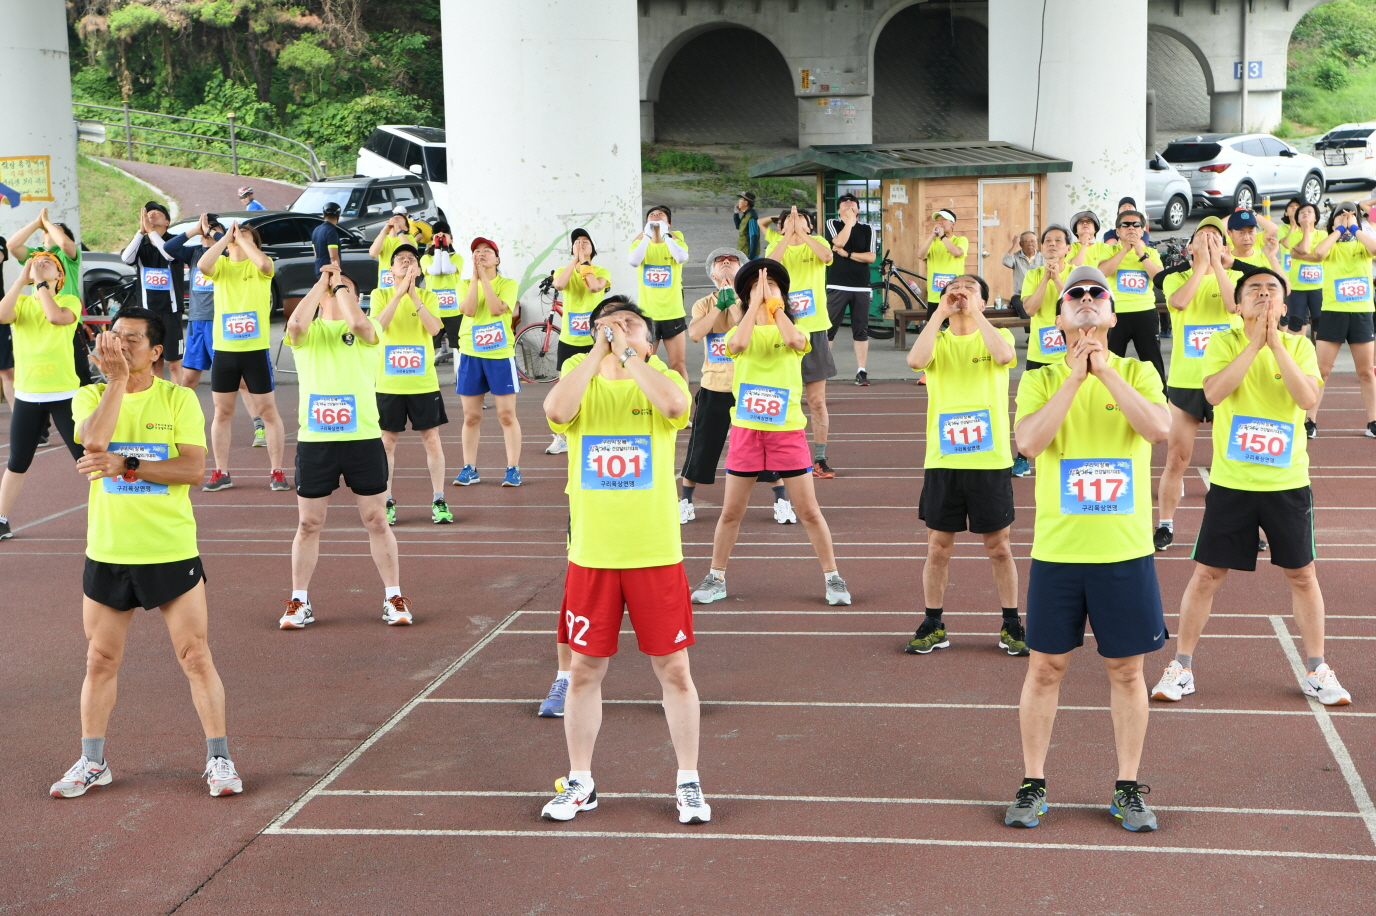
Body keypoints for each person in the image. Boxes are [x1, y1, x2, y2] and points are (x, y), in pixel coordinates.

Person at [1004, 265, 1170, 833]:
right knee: (1046, 668)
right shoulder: (1042, 379)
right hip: (1059, 551)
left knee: (1127, 672)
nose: (1085, 301)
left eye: (1097, 294)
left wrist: (1105, 372)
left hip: (1123, 553)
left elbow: (1157, 429)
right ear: (1058, 318)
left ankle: (1127, 786)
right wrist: (1075, 378)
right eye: (1074, 295)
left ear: (1113, 314)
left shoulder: (1140, 370)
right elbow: (1027, 443)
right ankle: (1032, 782)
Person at [51, 306, 241, 799]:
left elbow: (193, 471)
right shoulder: (90, 394)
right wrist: (115, 383)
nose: (118, 345)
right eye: (114, 337)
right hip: (109, 549)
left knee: (195, 655)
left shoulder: (179, 400)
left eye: (131, 339)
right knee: (99, 660)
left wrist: (127, 463)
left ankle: (219, 758)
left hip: (169, 549)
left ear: (156, 352)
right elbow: (90, 444)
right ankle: (93, 762)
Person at [539, 296, 710, 825]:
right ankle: (581, 781)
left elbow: (678, 410)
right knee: (585, 669)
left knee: (675, 671)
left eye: (631, 324)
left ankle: (688, 781)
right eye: (606, 324)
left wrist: (632, 353)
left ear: (650, 339)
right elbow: (556, 413)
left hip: (654, 550)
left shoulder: (661, 375)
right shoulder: (577, 371)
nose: (616, 330)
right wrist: (596, 352)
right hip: (594, 551)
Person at [1152, 268, 1351, 706]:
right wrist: (1253, 345)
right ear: (1238, 304)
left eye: (1272, 291)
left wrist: (1275, 344)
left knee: (1302, 574)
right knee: (1206, 574)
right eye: (1253, 291)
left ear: (1284, 306)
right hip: (1233, 483)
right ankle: (1181, 666)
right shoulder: (1222, 342)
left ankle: (1317, 668)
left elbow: (1307, 400)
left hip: (1287, 482)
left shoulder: (1299, 345)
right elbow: (1216, 393)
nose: (1263, 296)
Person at [689, 259, 852, 608]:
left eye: (773, 287)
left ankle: (833, 577)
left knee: (808, 510)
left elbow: (793, 340)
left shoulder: (796, 329)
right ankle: (716, 576)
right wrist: (752, 303)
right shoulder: (739, 329)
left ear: (784, 295)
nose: (764, 293)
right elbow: (737, 345)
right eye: (756, 290)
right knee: (731, 512)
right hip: (748, 432)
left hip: (787, 432)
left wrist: (774, 304)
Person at [281, 268, 412, 628]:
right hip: (316, 442)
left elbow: (361, 324)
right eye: (331, 291)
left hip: (362, 440)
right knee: (309, 522)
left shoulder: (370, 332)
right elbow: (293, 326)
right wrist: (321, 285)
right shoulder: (308, 335)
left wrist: (340, 286)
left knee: (375, 519)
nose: (337, 296)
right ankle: (299, 601)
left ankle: (393, 597)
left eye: (347, 292)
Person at [904, 274, 1024, 656]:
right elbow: (914, 361)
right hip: (944, 459)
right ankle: (933, 622)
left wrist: (976, 313)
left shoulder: (997, 337)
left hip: (989, 461)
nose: (961, 293)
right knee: (938, 547)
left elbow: (1006, 357)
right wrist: (940, 313)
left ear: (984, 301)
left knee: (999, 547)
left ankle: (1011, 623)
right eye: (953, 288)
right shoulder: (936, 341)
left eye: (971, 289)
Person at [675, 248, 796, 528]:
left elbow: (747, 330)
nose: (726, 263)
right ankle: (686, 501)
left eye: (733, 260)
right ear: (712, 273)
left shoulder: (756, 304)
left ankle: (781, 501)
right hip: (715, 385)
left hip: (751, 388)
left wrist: (734, 302)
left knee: (767, 446)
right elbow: (694, 334)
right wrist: (720, 304)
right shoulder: (704, 303)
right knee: (702, 447)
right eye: (720, 261)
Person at [1153, 217, 1240, 551]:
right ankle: (1166, 525)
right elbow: (1178, 302)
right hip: (1186, 382)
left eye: (1215, 239)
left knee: (1229, 459)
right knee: (1177, 457)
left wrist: (1217, 264)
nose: (1208, 243)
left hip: (1225, 380)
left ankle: (1238, 525)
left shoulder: (1233, 276)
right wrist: (1201, 264)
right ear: (1189, 247)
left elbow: (1234, 305)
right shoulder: (1176, 277)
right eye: (1201, 238)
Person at [195, 223, 289, 492]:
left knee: (268, 411)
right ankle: (221, 472)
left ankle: (277, 471)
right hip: (225, 351)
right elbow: (203, 265)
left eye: (243, 237)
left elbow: (264, 264)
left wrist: (244, 240)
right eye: (234, 237)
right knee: (222, 412)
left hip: (255, 350)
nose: (236, 240)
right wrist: (225, 238)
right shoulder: (221, 267)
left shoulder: (260, 267)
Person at [0, 254, 85, 539]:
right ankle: (1, 518)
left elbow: (54, 316)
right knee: (18, 460)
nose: (40, 262)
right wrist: (22, 280)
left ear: (59, 276)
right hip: (28, 395)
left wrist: (40, 284)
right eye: (35, 260)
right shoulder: (22, 303)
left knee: (86, 458)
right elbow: (1, 315)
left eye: (48, 261)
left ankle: (119, 509)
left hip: (64, 394)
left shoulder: (70, 301)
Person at [373, 244, 452, 526]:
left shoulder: (429, 295)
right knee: (387, 443)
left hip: (423, 383)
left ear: (419, 269)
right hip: (389, 383)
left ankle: (439, 500)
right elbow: (378, 326)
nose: (406, 264)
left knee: (432, 440)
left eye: (411, 260)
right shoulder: (379, 294)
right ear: (391, 269)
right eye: (401, 260)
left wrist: (414, 295)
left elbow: (433, 329)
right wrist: (399, 293)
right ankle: (388, 501)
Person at [1293, 201, 1376, 438]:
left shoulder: (1362, 243)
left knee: (1366, 372)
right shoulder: (1327, 244)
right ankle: (1310, 419)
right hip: (1332, 312)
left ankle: (1373, 421)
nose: (1347, 217)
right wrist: (1339, 229)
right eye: (1341, 214)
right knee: (1322, 370)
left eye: (1351, 214)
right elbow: (1318, 253)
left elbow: (1374, 250)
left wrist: (1355, 228)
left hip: (1361, 313)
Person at [767, 206, 837, 477]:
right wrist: (787, 234)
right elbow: (770, 264)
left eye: (802, 220)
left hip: (815, 329)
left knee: (817, 401)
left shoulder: (817, 242)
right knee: (784, 397)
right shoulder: (775, 245)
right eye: (788, 221)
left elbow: (827, 256)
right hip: (782, 331)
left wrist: (803, 232)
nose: (795, 224)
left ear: (810, 226)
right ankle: (780, 457)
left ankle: (819, 457)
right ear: (780, 228)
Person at [452, 237, 523, 486]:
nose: (481, 255)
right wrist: (474, 279)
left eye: (487, 251)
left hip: (500, 354)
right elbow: (469, 310)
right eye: (477, 252)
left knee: (506, 415)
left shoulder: (508, 283)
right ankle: (469, 468)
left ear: (497, 258)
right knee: (471, 416)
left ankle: (513, 468)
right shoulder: (462, 284)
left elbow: (495, 309)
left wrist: (484, 279)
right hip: (471, 353)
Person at [1012, 225, 1075, 477]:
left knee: (1072, 402)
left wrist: (1058, 278)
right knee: (1033, 406)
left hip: (1069, 353)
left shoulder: (1076, 274)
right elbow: (1030, 309)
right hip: (1040, 353)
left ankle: (1070, 452)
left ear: (1068, 249)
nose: (1052, 244)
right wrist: (1046, 279)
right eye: (1047, 240)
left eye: (1058, 241)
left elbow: (1072, 304)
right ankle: (1023, 457)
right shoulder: (1033, 274)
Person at [546, 228, 611, 456]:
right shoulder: (565, 270)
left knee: (598, 384)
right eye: (576, 242)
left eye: (585, 242)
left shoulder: (601, 270)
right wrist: (575, 259)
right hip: (569, 340)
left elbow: (593, 286)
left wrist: (585, 262)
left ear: (593, 247)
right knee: (565, 385)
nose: (581, 244)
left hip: (595, 340)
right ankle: (562, 437)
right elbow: (560, 285)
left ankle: (599, 428)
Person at [1093, 209, 1165, 383]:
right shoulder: (1110, 250)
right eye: (1125, 224)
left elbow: (1160, 279)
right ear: (1118, 231)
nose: (1131, 228)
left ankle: (1161, 400)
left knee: (1152, 361)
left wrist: (1141, 253)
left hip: (1145, 313)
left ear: (1142, 231)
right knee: (1111, 360)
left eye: (1136, 225)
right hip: (1116, 315)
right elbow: (1102, 272)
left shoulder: (1151, 253)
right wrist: (1125, 249)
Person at [824, 192, 878, 411]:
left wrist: (846, 254)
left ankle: (861, 370)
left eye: (852, 204)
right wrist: (847, 223)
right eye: (845, 204)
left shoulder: (868, 229)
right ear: (839, 210)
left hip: (861, 286)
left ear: (858, 209)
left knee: (861, 330)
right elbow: (837, 241)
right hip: (837, 285)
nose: (849, 206)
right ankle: (824, 370)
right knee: (829, 330)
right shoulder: (833, 223)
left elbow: (871, 257)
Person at [121, 202, 185, 382]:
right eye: (148, 213)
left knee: (173, 362)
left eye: (157, 212)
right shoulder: (140, 243)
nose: (151, 215)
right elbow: (127, 259)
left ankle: (176, 400)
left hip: (171, 310)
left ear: (167, 221)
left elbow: (169, 254)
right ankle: (157, 400)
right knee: (153, 362)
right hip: (148, 311)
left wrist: (151, 233)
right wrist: (141, 233)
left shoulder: (174, 241)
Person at [627, 205, 690, 382]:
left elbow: (681, 258)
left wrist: (666, 234)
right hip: (648, 316)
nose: (655, 217)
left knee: (677, 364)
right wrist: (646, 235)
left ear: (669, 223)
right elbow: (633, 261)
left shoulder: (677, 243)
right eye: (651, 215)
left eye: (660, 215)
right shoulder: (640, 244)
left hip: (673, 313)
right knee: (644, 363)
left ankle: (683, 402)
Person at [421, 220, 463, 362]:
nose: (441, 238)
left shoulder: (457, 258)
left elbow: (446, 269)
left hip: (454, 311)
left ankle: (462, 378)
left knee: (461, 347)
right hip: (433, 312)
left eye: (445, 235)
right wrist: (439, 249)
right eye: (437, 236)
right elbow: (435, 270)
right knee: (430, 347)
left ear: (451, 239)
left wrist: (444, 248)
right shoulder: (426, 258)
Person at [1281, 202, 1323, 339]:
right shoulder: (1294, 235)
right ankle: (1295, 356)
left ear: (1316, 217)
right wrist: (1305, 229)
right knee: (1296, 321)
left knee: (1319, 321)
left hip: (1319, 286)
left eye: (1310, 211)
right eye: (1302, 212)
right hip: (1298, 287)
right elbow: (1305, 249)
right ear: (1297, 218)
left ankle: (1318, 357)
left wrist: (1300, 256)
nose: (1305, 213)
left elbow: (1322, 256)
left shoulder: (1323, 235)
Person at [916, 209, 968, 312]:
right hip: (935, 294)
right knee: (933, 325)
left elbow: (957, 253)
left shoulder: (961, 240)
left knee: (954, 326)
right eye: (937, 220)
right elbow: (920, 255)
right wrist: (932, 236)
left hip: (955, 293)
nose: (940, 222)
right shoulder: (932, 242)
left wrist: (943, 236)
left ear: (953, 224)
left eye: (944, 219)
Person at [369, 207, 418, 297]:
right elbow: (373, 253)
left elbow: (411, 249)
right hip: (384, 285)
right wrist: (383, 231)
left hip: (404, 282)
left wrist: (399, 231)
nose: (396, 218)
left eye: (400, 218)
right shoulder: (383, 238)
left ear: (406, 228)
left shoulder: (408, 238)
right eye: (394, 217)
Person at [1003, 231, 1043, 318]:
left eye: (1033, 241)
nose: (1030, 244)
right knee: (1021, 305)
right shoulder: (1016, 256)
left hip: (1038, 294)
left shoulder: (1042, 257)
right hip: (1020, 295)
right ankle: (1030, 330)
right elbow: (1006, 261)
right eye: (1027, 241)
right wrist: (1014, 245)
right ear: (1021, 244)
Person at [312, 202, 344, 277]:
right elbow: (333, 257)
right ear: (338, 216)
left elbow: (315, 254)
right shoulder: (331, 232)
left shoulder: (316, 230)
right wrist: (337, 274)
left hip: (318, 269)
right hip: (328, 271)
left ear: (324, 215)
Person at [734, 191, 761, 260]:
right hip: (743, 254)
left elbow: (754, 237)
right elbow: (738, 226)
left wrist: (751, 257)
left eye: (741, 199)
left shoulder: (751, 217)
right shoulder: (746, 215)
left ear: (746, 203)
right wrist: (736, 213)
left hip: (749, 256)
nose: (738, 201)